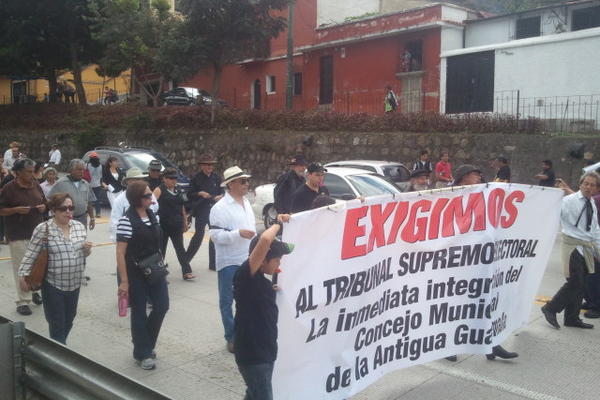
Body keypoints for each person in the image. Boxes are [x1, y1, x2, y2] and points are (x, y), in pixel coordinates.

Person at [445, 164, 518, 361]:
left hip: (478, 258)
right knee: (454, 306)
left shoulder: (483, 194)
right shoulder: (448, 196)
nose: (479, 178)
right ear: (464, 176)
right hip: (456, 259)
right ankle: (447, 346)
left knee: (483, 301)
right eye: (475, 174)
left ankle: (491, 344)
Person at [18, 193, 92, 344]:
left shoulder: (79, 227)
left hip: (75, 284)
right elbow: (31, 253)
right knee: (57, 323)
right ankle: (59, 350)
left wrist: (87, 249)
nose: (68, 211)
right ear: (53, 211)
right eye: (63, 208)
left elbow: (83, 254)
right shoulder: (43, 229)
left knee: (69, 320)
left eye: (71, 207)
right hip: (53, 285)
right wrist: (22, 275)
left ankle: (58, 346)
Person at [234, 217, 293, 400]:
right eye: (276, 260)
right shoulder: (245, 276)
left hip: (265, 352)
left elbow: (257, 298)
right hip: (254, 356)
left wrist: (271, 291)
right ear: (261, 259)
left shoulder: (261, 282)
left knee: (254, 394)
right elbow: (266, 239)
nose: (279, 264)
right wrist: (278, 223)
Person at [116, 181, 169, 370]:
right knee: (139, 311)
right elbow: (120, 252)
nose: (151, 198)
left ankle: (144, 343)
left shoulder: (152, 214)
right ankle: (142, 352)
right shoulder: (126, 220)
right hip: (136, 273)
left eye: (150, 195)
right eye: (147, 196)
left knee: (162, 305)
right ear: (137, 199)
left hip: (154, 269)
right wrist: (124, 281)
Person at [541, 171, 600, 330]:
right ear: (580, 184)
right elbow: (551, 213)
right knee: (575, 281)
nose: (588, 187)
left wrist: (598, 249)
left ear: (596, 188)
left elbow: (595, 229)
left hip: (586, 247)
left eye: (592, 185)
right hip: (571, 245)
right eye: (586, 184)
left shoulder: (592, 204)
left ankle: (572, 318)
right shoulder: (569, 201)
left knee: (582, 283)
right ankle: (551, 308)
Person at [209, 166, 256, 353]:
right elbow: (215, 236)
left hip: (247, 258)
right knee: (227, 301)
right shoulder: (219, 208)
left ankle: (245, 333)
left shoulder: (247, 203)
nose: (247, 184)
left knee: (247, 300)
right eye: (243, 181)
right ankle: (231, 336)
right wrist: (238, 234)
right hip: (229, 261)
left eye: (247, 181)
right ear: (231, 184)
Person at [0, 159, 46, 315]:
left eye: (33, 171)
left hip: (37, 233)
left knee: (37, 265)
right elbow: (1, 210)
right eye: (29, 172)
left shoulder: (36, 185)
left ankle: (34, 291)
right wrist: (16, 210)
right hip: (18, 233)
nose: (32, 174)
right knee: (22, 267)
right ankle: (22, 301)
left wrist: (44, 207)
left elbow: (45, 202)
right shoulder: (9, 188)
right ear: (18, 172)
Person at [154, 167, 194, 280]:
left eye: (175, 178)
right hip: (163, 225)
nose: (174, 180)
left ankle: (187, 271)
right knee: (161, 250)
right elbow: (151, 205)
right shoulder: (159, 190)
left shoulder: (178, 189)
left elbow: (182, 206)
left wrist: (185, 222)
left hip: (176, 224)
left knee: (180, 248)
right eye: (171, 178)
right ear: (164, 179)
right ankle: (159, 273)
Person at [186, 154, 223, 269]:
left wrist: (221, 196)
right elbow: (189, 194)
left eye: (212, 165)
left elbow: (222, 190)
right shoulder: (196, 177)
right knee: (199, 235)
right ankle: (185, 261)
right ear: (202, 166)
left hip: (214, 209)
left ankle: (213, 263)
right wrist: (200, 193)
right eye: (207, 165)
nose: (210, 167)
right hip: (202, 209)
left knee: (214, 236)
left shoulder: (216, 177)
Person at [110, 168, 159, 242]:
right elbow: (115, 222)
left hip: (149, 236)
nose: (139, 182)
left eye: (141, 179)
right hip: (131, 239)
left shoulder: (149, 194)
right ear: (128, 182)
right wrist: (119, 240)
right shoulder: (120, 200)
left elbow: (155, 210)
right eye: (136, 180)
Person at [50, 159, 96, 230]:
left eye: (83, 170)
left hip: (82, 219)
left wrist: (92, 218)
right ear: (71, 170)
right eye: (79, 170)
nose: (82, 172)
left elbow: (89, 202)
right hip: (65, 219)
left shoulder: (85, 184)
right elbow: (51, 201)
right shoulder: (60, 183)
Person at [86, 152, 104, 218]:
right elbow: (101, 176)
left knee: (87, 199)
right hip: (97, 184)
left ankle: (87, 212)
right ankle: (98, 213)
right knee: (97, 200)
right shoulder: (101, 166)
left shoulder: (87, 165)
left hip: (89, 184)